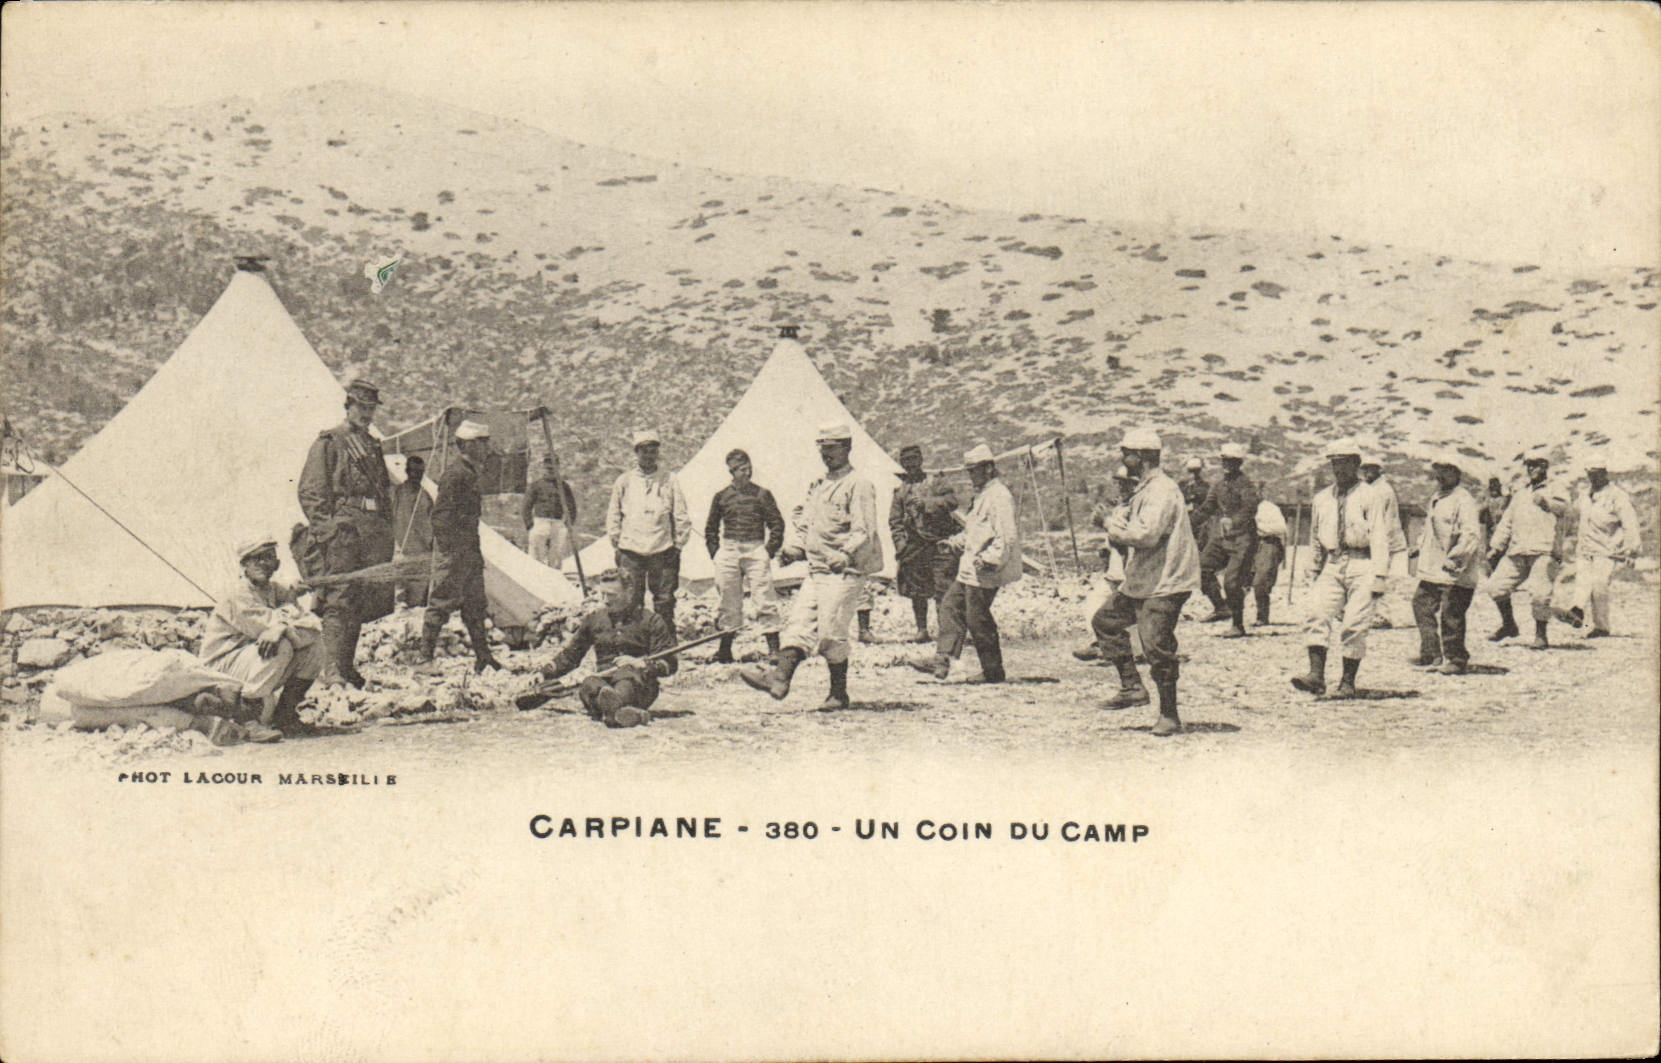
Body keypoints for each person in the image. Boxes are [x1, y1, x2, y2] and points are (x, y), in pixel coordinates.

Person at [739, 422, 882, 710]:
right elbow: (809, 525)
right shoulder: (819, 486)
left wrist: (846, 553)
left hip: (845, 573)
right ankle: (779, 679)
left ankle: (838, 693)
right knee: (798, 625)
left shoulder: (859, 485)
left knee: (831, 633)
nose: (826, 455)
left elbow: (863, 529)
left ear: (847, 448)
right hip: (817, 571)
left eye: (832, 449)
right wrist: (796, 549)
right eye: (823, 449)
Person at [1092, 427, 1200, 737]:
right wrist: (1114, 521)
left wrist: (1108, 524)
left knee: (1156, 645)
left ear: (1139, 457)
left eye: (1125, 453)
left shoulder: (1162, 490)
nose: (1122, 458)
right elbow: (1134, 527)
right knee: (1106, 621)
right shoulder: (1146, 489)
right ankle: (1132, 687)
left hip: (1167, 580)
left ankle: (1169, 715)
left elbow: (1145, 535)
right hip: (1145, 578)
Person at [297, 377, 395, 688]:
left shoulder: (372, 445)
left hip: (370, 532)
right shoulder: (330, 442)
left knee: (361, 599)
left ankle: (347, 665)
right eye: (360, 407)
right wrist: (328, 531)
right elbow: (310, 491)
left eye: (370, 408)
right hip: (344, 531)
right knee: (339, 598)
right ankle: (332, 670)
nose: (366, 414)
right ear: (348, 406)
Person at [1292, 437, 1392, 698]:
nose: (1339, 469)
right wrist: (1313, 571)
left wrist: (1380, 575)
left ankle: (1347, 683)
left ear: (1356, 464)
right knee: (1316, 612)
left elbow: (1380, 535)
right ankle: (1316, 676)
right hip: (1333, 562)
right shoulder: (1322, 498)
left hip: (1364, 562)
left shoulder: (1371, 495)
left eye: (1345, 463)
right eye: (1334, 463)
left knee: (1354, 623)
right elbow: (1315, 537)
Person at [912, 444, 1021, 683]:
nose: (972, 476)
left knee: (977, 618)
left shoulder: (1000, 496)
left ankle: (992, 671)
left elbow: (1007, 536)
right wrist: (952, 543)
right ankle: (942, 661)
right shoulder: (982, 496)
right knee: (951, 606)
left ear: (990, 469)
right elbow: (974, 532)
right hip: (970, 569)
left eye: (975, 471)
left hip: (986, 570)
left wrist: (991, 559)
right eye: (970, 471)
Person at [197, 536, 319, 738]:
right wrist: (283, 623)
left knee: (315, 647)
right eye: (256, 559)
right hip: (220, 666)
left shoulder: (273, 590)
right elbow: (265, 628)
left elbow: (312, 626)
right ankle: (248, 720)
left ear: (276, 564)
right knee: (279, 645)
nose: (263, 564)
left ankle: (286, 715)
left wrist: (283, 620)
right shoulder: (238, 593)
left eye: (268, 558)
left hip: (249, 662)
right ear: (244, 564)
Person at [537, 572, 676, 728]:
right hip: (603, 682)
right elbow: (571, 656)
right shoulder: (594, 619)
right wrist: (544, 672)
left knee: (627, 677)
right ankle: (623, 714)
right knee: (590, 684)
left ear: (629, 592)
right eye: (602, 594)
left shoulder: (651, 620)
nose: (605, 600)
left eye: (611, 595)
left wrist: (641, 664)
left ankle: (613, 706)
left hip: (639, 686)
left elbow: (669, 664)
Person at [418, 420, 501, 674]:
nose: (486, 447)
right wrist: (452, 552)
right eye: (481, 442)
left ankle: (483, 657)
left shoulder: (469, 472)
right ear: (467, 445)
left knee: (475, 605)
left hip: (468, 551)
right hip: (455, 552)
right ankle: (424, 659)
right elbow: (440, 516)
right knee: (441, 602)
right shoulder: (456, 474)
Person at [607, 428, 690, 637]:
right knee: (631, 598)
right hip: (630, 549)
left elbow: (681, 514)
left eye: (653, 450)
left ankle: (665, 644)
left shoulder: (669, 480)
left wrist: (678, 545)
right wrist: (617, 543)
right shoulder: (624, 481)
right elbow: (614, 515)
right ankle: (633, 642)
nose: (648, 455)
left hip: (662, 549)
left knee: (664, 600)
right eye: (644, 451)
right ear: (636, 453)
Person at [705, 448, 785, 663]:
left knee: (764, 597)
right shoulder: (721, 496)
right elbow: (710, 529)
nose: (746, 473)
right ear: (731, 471)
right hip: (729, 550)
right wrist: (717, 554)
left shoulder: (762, 494)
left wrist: (767, 551)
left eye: (748, 467)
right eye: (740, 469)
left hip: (755, 548)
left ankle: (774, 650)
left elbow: (777, 524)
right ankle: (724, 650)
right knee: (728, 600)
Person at [1481, 454, 1570, 649]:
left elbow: (1564, 508)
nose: (1531, 469)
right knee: (1494, 587)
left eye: (1535, 465)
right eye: (1528, 465)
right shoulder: (1521, 493)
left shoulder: (1556, 488)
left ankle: (1540, 635)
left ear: (1544, 466)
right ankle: (1509, 625)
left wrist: (1547, 503)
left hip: (1544, 551)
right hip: (1518, 551)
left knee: (1539, 593)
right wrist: (1495, 547)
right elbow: (1507, 522)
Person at [1410, 454, 1483, 674]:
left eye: (1446, 470)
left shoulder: (1464, 500)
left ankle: (1456, 659)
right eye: (1438, 470)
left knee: (1451, 614)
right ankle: (1432, 654)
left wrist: (1455, 559)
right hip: (1434, 568)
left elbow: (1470, 535)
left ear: (1457, 474)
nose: (1440, 475)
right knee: (1420, 604)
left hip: (1456, 570)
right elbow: (1429, 529)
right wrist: (1419, 545)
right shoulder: (1437, 497)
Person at [1192, 442, 1260, 636]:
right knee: (1201, 569)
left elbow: (1250, 508)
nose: (1227, 464)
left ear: (1238, 463)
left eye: (1231, 461)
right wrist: (1186, 524)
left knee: (1232, 582)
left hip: (1243, 540)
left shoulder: (1246, 485)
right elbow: (1207, 508)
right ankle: (1221, 607)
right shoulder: (1219, 485)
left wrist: (1234, 521)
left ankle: (1237, 624)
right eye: (1224, 460)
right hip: (1222, 539)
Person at [1569, 461, 1641, 637]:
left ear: (1604, 473)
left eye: (1597, 473)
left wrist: (1632, 551)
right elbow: (1573, 514)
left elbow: (1630, 524)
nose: (1593, 477)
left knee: (1599, 584)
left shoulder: (1617, 496)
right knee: (1582, 580)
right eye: (1590, 473)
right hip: (1586, 547)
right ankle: (1577, 610)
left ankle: (1601, 626)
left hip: (1607, 549)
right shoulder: (1585, 495)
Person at [889, 444, 939, 643]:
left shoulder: (934, 483)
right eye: (906, 461)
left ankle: (947, 630)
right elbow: (894, 520)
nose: (910, 465)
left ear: (921, 461)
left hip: (935, 543)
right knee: (917, 591)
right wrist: (900, 544)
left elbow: (950, 502)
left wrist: (928, 505)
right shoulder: (900, 491)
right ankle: (922, 629)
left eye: (913, 460)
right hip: (913, 546)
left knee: (941, 588)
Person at [1360, 454, 1411, 629]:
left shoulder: (1381, 490)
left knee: (1382, 579)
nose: (1367, 472)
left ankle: (1383, 616)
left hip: (1386, 541)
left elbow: (1380, 521)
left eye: (1371, 469)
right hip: (1380, 540)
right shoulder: (1370, 489)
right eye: (1365, 469)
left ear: (1378, 470)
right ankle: (1374, 614)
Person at [1183, 457, 1227, 620]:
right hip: (1190, 528)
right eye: (1191, 471)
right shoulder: (1185, 487)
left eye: (1196, 471)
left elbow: (1207, 510)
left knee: (1202, 567)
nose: (1194, 474)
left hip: (1204, 529)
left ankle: (1220, 604)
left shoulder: (1206, 488)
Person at [391, 454, 433, 607]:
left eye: (420, 473)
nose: (416, 476)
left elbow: (430, 525)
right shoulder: (396, 493)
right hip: (399, 549)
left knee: (417, 595)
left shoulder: (425, 498)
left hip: (419, 552)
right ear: (407, 471)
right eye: (413, 472)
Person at [523, 454, 578, 568]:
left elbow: (571, 506)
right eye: (547, 467)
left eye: (553, 467)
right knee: (536, 557)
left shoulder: (564, 486)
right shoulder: (536, 485)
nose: (550, 470)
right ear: (543, 467)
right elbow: (526, 506)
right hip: (540, 522)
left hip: (557, 524)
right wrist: (530, 525)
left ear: (558, 468)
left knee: (556, 558)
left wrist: (568, 524)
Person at [1251, 497, 1288, 625]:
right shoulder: (1240, 507)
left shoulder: (1268, 507)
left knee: (1261, 581)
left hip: (1268, 543)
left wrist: (1256, 525)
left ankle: (1262, 616)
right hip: (1248, 544)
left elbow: (1281, 528)